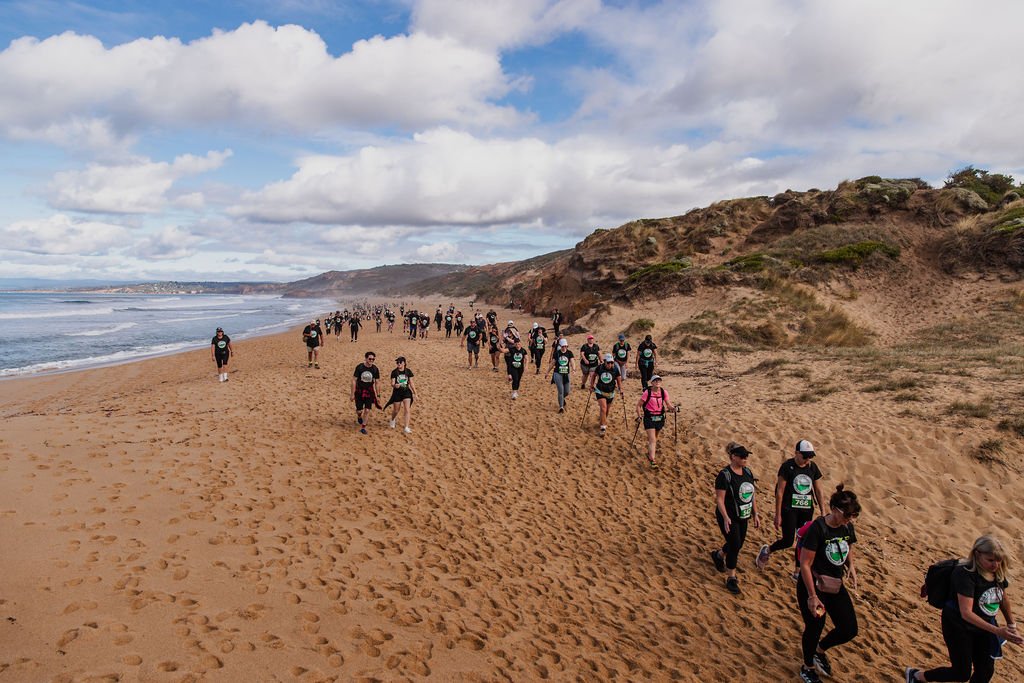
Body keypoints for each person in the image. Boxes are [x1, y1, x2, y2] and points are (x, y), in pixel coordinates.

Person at [905, 536, 1022, 683]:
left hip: (985, 626)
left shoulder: (997, 573)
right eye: (991, 560)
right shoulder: (965, 574)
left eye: (999, 560)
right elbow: (966, 613)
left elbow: (1003, 598)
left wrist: (1011, 626)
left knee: (985, 671)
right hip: (958, 625)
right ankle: (917, 676)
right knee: (961, 673)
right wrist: (998, 631)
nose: (996, 565)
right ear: (977, 554)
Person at [796, 485, 862, 683]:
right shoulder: (818, 529)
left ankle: (819, 650)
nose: (850, 519)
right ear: (834, 508)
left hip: (835, 584)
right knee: (815, 626)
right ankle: (807, 667)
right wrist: (812, 596)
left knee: (849, 628)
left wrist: (851, 566)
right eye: (847, 515)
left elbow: (848, 544)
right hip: (814, 584)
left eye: (853, 516)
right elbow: (805, 564)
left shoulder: (847, 526)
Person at [757, 439, 825, 571]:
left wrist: (823, 511)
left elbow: (818, 490)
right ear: (796, 453)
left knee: (803, 541)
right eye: (805, 456)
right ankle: (768, 550)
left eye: (810, 456)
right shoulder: (787, 467)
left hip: (806, 509)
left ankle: (798, 571)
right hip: (789, 509)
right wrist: (778, 514)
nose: (807, 460)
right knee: (788, 541)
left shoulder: (812, 467)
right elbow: (780, 492)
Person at [711, 442, 759, 594]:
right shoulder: (725, 475)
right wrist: (725, 517)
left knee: (737, 544)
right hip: (729, 516)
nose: (745, 459)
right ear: (733, 457)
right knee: (734, 545)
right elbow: (719, 499)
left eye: (746, 456)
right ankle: (732, 578)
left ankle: (718, 555)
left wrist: (755, 513)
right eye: (742, 456)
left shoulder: (748, 473)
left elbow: (752, 495)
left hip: (743, 515)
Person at [635, 375, 677, 469]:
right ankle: (652, 459)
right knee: (653, 439)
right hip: (649, 418)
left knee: (654, 438)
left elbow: (668, 404)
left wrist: (673, 408)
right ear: (652, 382)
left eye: (659, 380)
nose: (657, 381)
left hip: (660, 418)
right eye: (655, 380)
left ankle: (650, 451)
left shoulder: (663, 392)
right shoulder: (647, 392)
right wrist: (639, 416)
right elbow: (638, 405)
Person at [589, 353, 623, 436]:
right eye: (608, 362)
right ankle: (603, 428)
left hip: (610, 392)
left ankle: (602, 421)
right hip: (600, 391)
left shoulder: (615, 369)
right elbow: (593, 376)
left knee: (607, 411)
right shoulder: (599, 368)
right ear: (604, 362)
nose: (610, 364)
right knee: (603, 409)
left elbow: (619, 379)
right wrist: (591, 386)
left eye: (611, 362)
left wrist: (620, 389)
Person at [385, 356, 417, 433]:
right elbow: (392, 383)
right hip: (397, 393)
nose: (398, 364)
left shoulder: (408, 371)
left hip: (406, 392)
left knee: (407, 409)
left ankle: (406, 427)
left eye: (400, 362)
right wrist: (395, 385)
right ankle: (392, 419)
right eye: (397, 362)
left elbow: (411, 383)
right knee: (396, 410)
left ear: (404, 363)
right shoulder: (394, 372)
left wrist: (415, 393)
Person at [351, 352, 380, 434]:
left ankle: (363, 427)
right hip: (359, 391)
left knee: (367, 410)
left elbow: (377, 382)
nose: (371, 360)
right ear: (366, 358)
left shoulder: (375, 369)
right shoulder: (360, 367)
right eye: (370, 359)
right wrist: (352, 393)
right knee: (359, 410)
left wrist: (378, 395)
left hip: (369, 391)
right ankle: (359, 416)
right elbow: (354, 380)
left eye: (373, 359)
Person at [548, 338, 575, 413]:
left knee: (567, 391)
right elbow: (553, 363)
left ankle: (561, 399)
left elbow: (572, 361)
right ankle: (561, 407)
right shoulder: (557, 353)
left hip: (566, 374)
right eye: (563, 346)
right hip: (557, 373)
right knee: (561, 391)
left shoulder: (569, 353)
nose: (564, 348)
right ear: (560, 346)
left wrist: (573, 369)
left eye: (565, 346)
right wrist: (547, 372)